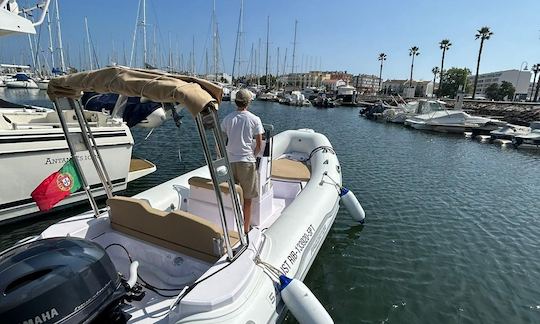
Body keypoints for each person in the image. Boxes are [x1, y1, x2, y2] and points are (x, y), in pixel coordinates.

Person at [220, 89, 264, 234]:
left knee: (232, 195)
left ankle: (232, 225)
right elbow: (258, 145)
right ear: (248, 102)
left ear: (235, 102)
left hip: (230, 161)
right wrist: (253, 155)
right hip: (246, 162)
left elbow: (221, 141)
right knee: (248, 198)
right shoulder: (254, 119)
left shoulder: (227, 119)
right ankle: (245, 229)